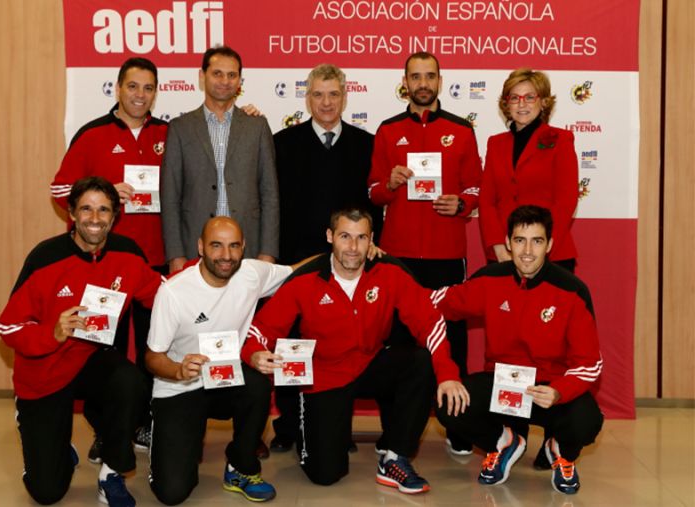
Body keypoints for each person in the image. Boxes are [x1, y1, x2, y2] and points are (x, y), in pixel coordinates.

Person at [241, 208, 469, 495]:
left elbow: (430, 321)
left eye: (361, 238)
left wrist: (448, 374)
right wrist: (253, 353)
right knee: (324, 474)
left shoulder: (389, 274)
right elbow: (259, 330)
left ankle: (395, 458)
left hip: (371, 363)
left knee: (419, 361)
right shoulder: (305, 280)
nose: (352, 247)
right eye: (345, 237)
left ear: (371, 239)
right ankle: (313, 434)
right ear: (330, 237)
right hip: (323, 377)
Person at [0, 177, 163, 507]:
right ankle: (51, 442)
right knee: (47, 493)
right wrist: (52, 333)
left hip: (92, 361)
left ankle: (112, 473)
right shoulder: (45, 258)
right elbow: (7, 326)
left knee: (130, 381)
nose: (95, 218)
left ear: (115, 216)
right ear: (71, 213)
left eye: (104, 210)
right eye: (86, 208)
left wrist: (214, 282)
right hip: (45, 370)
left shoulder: (127, 255)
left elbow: (166, 294)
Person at [146, 217, 320, 504]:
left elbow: (298, 271)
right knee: (172, 493)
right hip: (179, 388)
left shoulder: (250, 273)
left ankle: (240, 467)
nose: (226, 256)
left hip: (224, 379)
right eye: (216, 245)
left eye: (234, 246)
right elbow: (152, 356)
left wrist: (344, 252)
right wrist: (178, 370)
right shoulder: (174, 292)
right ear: (201, 247)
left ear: (244, 247)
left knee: (257, 386)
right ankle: (171, 442)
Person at [434, 205, 603, 495]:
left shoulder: (572, 291)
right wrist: (383, 274)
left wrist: (560, 390)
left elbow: (590, 363)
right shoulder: (490, 278)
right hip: (504, 388)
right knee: (448, 402)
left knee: (587, 420)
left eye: (536, 241)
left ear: (549, 244)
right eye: (519, 240)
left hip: (550, 392)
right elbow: (434, 302)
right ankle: (504, 442)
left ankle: (560, 451)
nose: (527, 251)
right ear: (508, 243)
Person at [50, 57, 167, 456]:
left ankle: (146, 423)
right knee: (103, 349)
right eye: (133, 86)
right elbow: (58, 191)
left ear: (156, 92)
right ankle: (106, 428)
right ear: (118, 88)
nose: (140, 95)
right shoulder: (92, 134)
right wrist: (101, 191)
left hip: (156, 261)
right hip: (103, 264)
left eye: (148, 87)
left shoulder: (170, 133)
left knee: (156, 347)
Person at [366, 51, 482, 454]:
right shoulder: (386, 130)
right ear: (405, 81)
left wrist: (461, 205)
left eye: (429, 76)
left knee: (451, 339)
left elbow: (475, 189)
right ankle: (395, 430)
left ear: (439, 80)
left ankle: (458, 427)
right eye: (415, 76)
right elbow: (372, 192)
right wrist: (390, 184)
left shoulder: (462, 130)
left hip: (446, 253)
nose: (423, 83)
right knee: (397, 344)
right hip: (397, 256)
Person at [269, 63, 383, 453]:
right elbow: (272, 203)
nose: (326, 102)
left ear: (345, 97)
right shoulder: (282, 143)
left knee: (342, 344)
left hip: (349, 261)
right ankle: (288, 424)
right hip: (297, 261)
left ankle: (336, 424)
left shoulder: (366, 144)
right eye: (318, 94)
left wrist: (370, 244)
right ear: (307, 98)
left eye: (333, 94)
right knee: (292, 343)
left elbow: (375, 206)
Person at [162, 46, 278, 274]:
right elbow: (170, 197)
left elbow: (270, 194)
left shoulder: (257, 127)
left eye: (232, 75)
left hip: (248, 249)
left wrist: (268, 252)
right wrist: (176, 255)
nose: (225, 81)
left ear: (239, 81)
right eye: (217, 73)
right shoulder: (180, 128)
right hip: (195, 249)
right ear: (201, 76)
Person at [479, 68, 579, 273]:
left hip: (551, 256)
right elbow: (487, 201)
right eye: (514, 97)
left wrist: (538, 249)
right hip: (504, 255)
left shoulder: (561, 140)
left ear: (543, 102)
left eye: (529, 97)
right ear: (506, 104)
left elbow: (566, 201)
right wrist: (499, 247)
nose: (522, 103)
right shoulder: (495, 144)